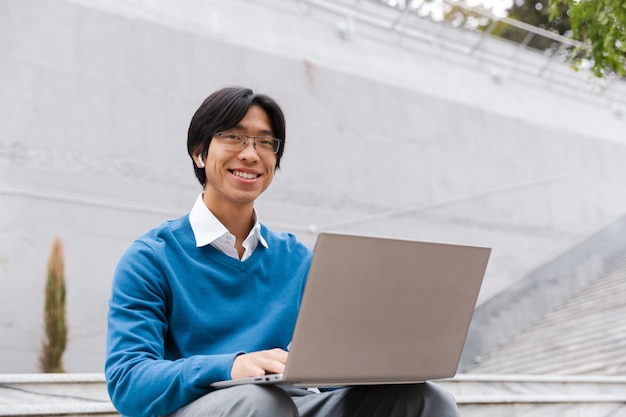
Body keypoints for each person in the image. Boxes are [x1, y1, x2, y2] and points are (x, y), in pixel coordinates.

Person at [105, 86, 460, 417]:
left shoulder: (296, 259)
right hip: (210, 408)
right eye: (233, 137)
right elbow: (128, 380)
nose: (250, 154)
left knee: (426, 399)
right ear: (199, 152)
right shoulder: (151, 258)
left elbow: (327, 372)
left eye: (265, 143)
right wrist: (231, 366)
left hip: (291, 405)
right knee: (261, 400)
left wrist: (381, 361)